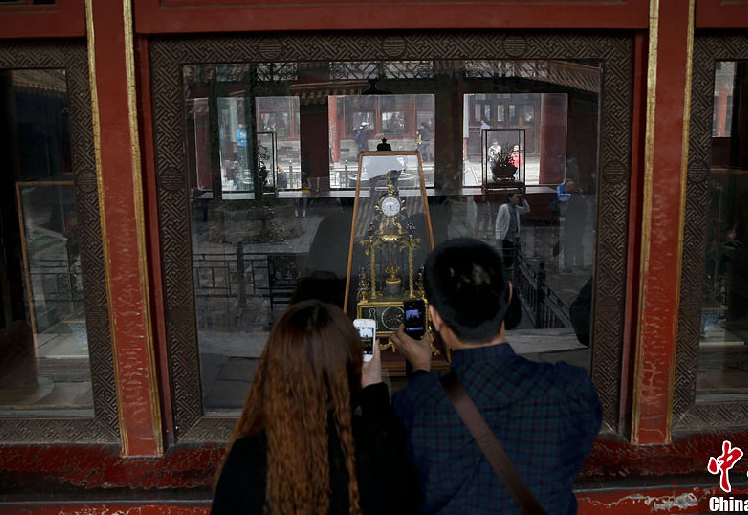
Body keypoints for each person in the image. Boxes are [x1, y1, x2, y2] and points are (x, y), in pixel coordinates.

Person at [390, 238, 601, 515]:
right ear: (509, 294)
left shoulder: (416, 403)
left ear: (436, 317)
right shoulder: (570, 389)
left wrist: (420, 367)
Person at [212, 300, 418, 515]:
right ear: (350, 367)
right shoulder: (376, 448)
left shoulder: (246, 456)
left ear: (275, 368)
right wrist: (373, 389)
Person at [495, 192, 530, 268]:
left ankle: (512, 267)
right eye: (516, 197)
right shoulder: (503, 207)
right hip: (506, 235)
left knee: (515, 253)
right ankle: (506, 268)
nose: (517, 199)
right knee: (507, 253)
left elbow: (526, 210)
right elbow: (498, 221)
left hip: (515, 235)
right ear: (510, 198)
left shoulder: (517, 208)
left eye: (518, 198)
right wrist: (498, 235)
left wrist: (523, 201)